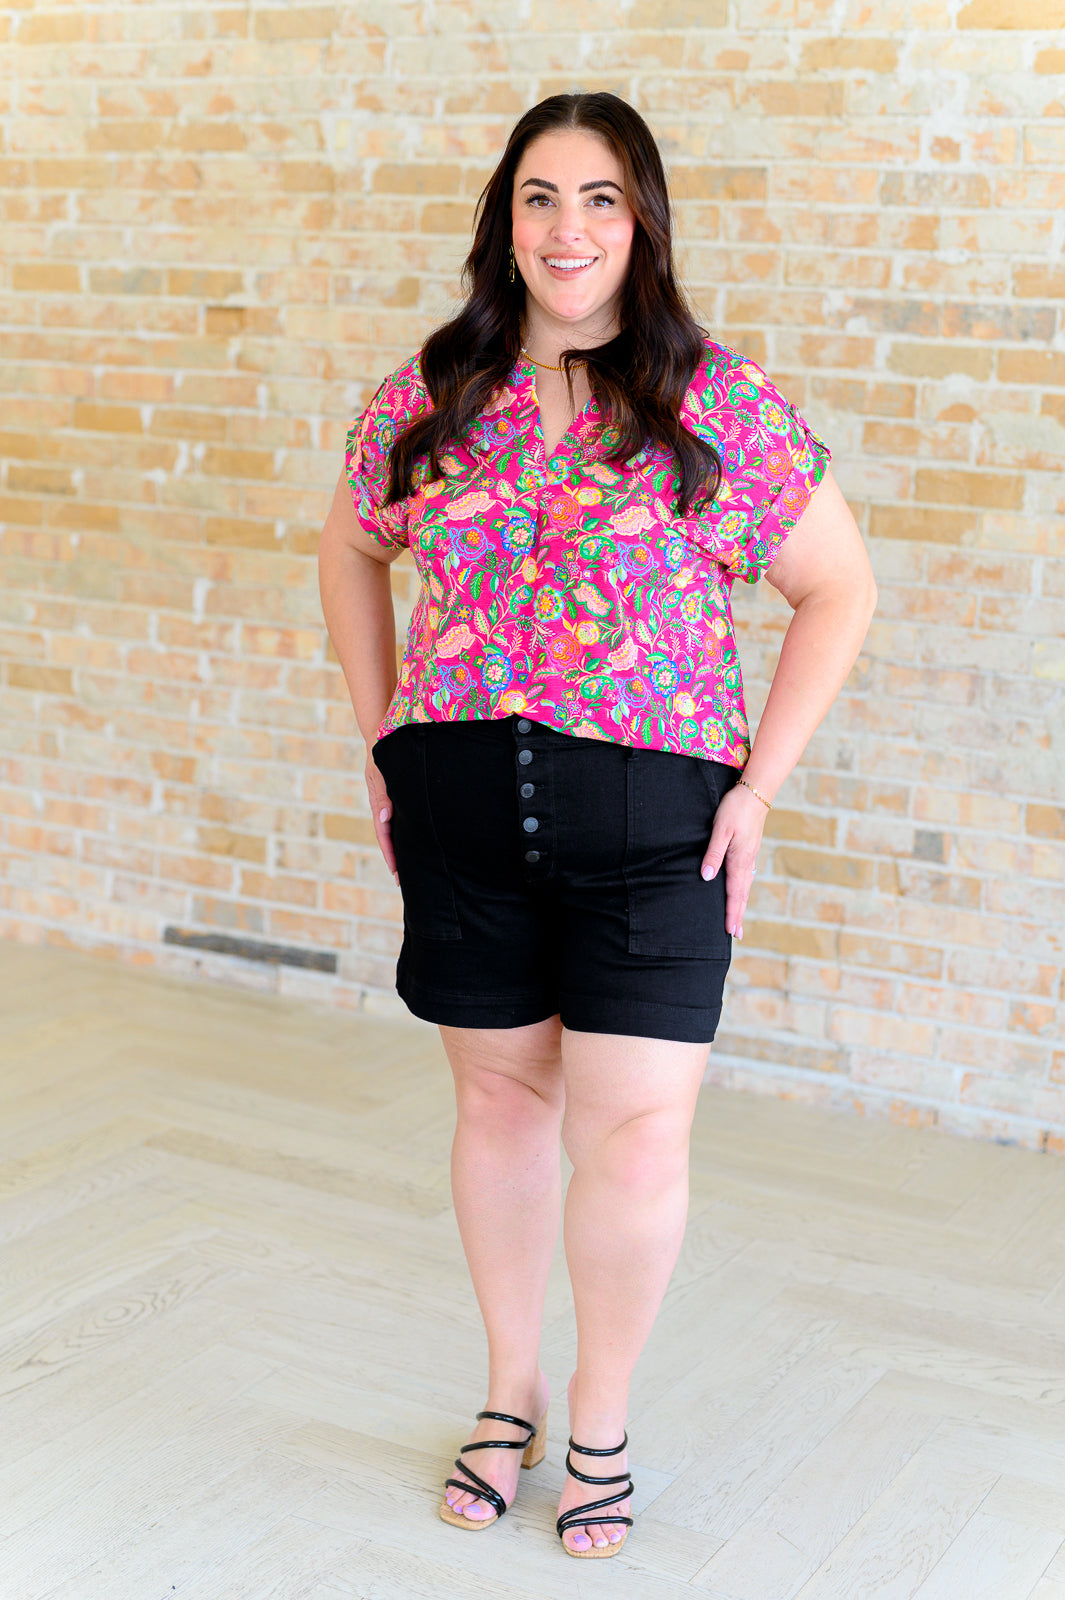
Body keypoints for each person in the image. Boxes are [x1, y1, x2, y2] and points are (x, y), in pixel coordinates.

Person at [318, 91, 877, 1559]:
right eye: (540, 197)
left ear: (643, 223)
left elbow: (839, 588)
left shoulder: (713, 402)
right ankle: (507, 1391)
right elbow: (350, 547)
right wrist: (382, 733)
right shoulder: (434, 393)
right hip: (459, 809)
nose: (568, 229)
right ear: (505, 221)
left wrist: (758, 787)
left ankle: (602, 1417)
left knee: (633, 1139)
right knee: (500, 1110)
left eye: (601, 199)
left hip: (656, 828)